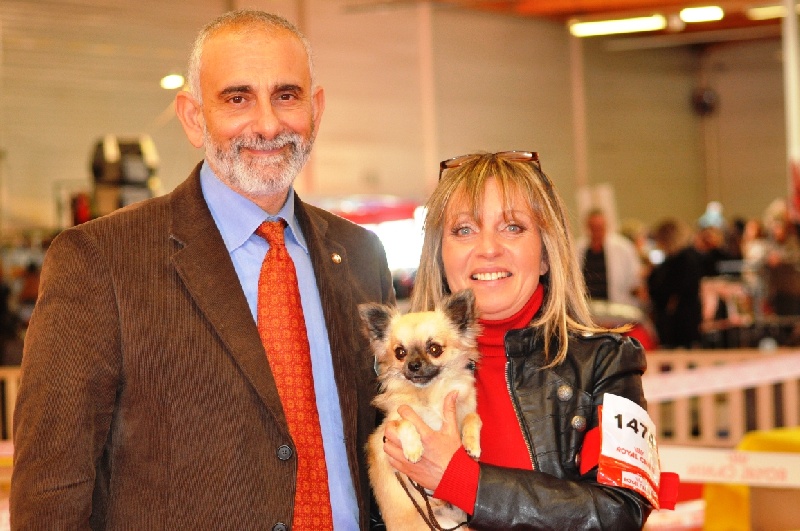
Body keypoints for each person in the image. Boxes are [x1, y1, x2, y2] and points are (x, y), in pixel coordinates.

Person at [11, 10, 394, 530]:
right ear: (193, 118)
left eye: (286, 95)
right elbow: (53, 492)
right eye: (237, 98)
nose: (267, 124)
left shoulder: (360, 254)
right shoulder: (100, 261)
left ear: (316, 109)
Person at [383, 151, 656, 528]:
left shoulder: (605, 361)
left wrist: (465, 482)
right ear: (439, 256)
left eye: (512, 227)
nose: (488, 248)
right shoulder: (393, 371)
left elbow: (619, 513)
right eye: (464, 230)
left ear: (546, 253)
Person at [647, 218, 703, 349]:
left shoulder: (682, 261)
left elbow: (671, 289)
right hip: (682, 319)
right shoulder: (683, 259)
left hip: (679, 321)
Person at [575, 207, 643, 308]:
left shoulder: (623, 248)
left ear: (606, 226)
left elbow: (635, 280)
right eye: (593, 227)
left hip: (618, 308)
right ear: (587, 227)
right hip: (589, 308)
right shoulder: (577, 248)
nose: (597, 231)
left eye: (600, 227)